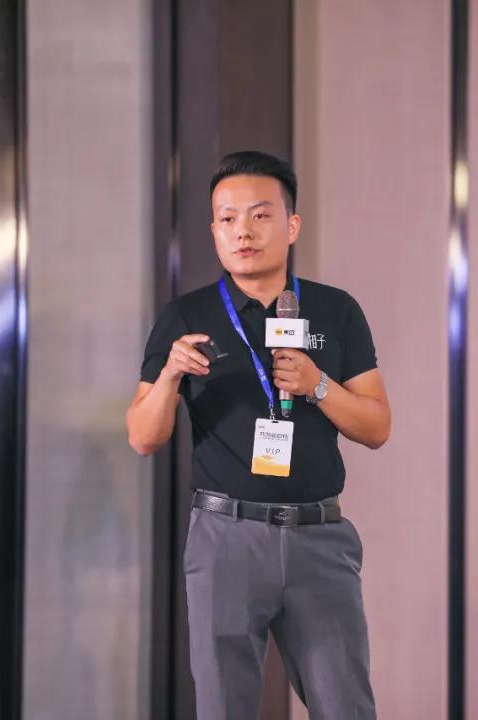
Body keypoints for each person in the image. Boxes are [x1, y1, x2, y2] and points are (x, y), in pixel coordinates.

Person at [126, 150, 389, 720]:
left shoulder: (335, 310)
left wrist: (319, 385)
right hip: (226, 537)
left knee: (346, 706)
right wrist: (169, 375)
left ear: (291, 225)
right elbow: (143, 437)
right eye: (227, 218)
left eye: (260, 215)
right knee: (225, 708)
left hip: (319, 536)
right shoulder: (185, 317)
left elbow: (376, 426)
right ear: (214, 231)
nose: (243, 231)